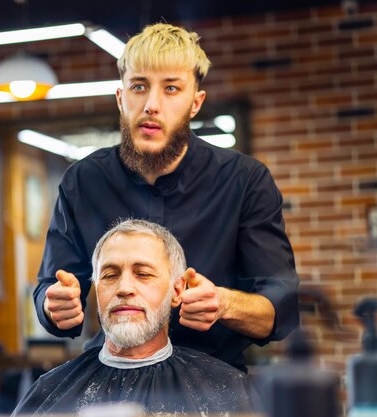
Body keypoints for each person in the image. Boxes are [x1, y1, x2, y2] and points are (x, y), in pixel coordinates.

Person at [34, 22, 299, 372]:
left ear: (195, 102)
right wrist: (54, 306)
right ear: (120, 97)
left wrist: (223, 303)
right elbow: (50, 288)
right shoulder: (83, 182)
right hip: (112, 375)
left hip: (214, 381)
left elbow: (282, 306)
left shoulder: (244, 181)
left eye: (171, 88)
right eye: (139, 87)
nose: (151, 105)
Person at [15, 219, 252, 416]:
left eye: (143, 274)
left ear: (177, 291)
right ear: (96, 290)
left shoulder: (225, 389)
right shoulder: (49, 392)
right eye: (109, 275)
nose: (124, 288)